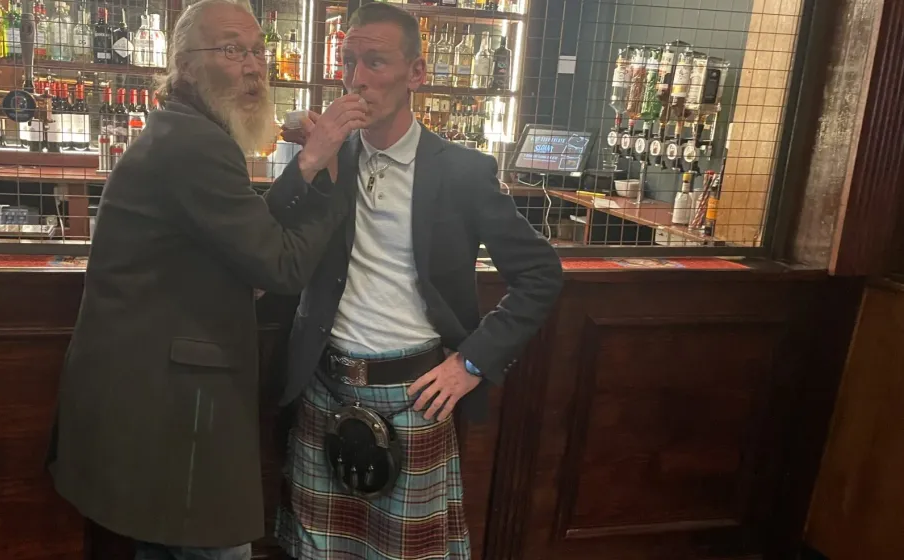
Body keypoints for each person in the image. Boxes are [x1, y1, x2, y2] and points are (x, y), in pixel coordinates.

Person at [44, 0, 371, 559]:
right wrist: (333, 183)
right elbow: (280, 265)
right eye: (231, 50)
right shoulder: (195, 144)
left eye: (257, 52)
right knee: (217, 549)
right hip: (169, 400)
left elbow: (244, 232)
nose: (253, 66)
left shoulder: (185, 130)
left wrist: (306, 166)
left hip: (143, 394)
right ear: (186, 65)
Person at [269, 3, 564, 559]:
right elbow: (268, 239)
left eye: (375, 62)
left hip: (415, 395)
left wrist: (470, 363)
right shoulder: (331, 157)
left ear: (417, 73)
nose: (356, 78)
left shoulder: (463, 172)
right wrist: (308, 160)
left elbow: (541, 275)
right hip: (323, 385)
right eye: (348, 62)